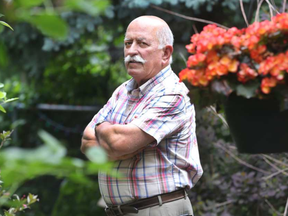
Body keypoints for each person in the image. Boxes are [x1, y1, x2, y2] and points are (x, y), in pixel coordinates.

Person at [81, 15, 203, 216]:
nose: (131, 51)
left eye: (142, 43)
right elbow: (86, 141)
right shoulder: (122, 91)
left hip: (158, 209)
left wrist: (103, 131)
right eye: (128, 43)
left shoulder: (173, 94)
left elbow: (118, 142)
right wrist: (112, 144)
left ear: (165, 53)